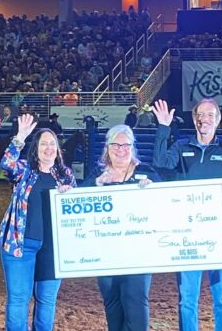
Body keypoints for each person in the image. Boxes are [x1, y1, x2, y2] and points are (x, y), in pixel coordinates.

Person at [152, 98, 222, 331]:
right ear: (194, 119)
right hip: (187, 234)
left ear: (218, 119)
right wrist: (163, 127)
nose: (205, 119)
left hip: (219, 234)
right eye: (200, 114)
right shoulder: (181, 147)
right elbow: (160, 163)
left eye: (210, 114)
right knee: (187, 299)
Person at [0, 113, 76, 331]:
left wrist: (68, 195)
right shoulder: (24, 170)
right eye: (44, 144)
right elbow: (6, 164)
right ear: (36, 148)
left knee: (47, 300)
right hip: (20, 244)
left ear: (58, 149)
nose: (49, 148)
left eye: (52, 144)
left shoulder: (66, 176)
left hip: (53, 249)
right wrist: (20, 137)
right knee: (18, 299)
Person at [82, 124, 161, 331]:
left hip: (138, 252)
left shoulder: (146, 172)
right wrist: (96, 186)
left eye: (125, 145)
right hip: (106, 252)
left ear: (133, 147)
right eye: (115, 145)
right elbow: (77, 202)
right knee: (112, 303)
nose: (120, 149)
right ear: (107, 148)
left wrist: (153, 191)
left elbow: (165, 203)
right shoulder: (97, 175)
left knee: (135, 300)